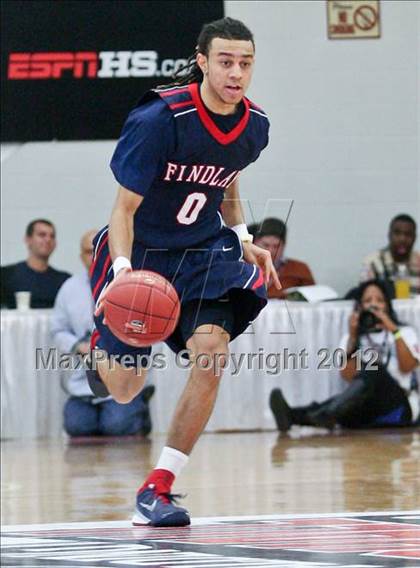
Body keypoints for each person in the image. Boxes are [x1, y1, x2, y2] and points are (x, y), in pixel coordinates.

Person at [88, 17, 281, 527]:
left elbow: (227, 183)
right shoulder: (159, 119)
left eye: (245, 62)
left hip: (201, 253)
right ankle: (98, 348)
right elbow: (122, 210)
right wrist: (124, 273)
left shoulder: (254, 125)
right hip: (143, 251)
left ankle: (159, 487)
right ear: (202, 61)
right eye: (225, 61)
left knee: (212, 354)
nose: (236, 72)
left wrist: (243, 239)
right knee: (125, 389)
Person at [270, 280, 420, 431]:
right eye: (367, 301)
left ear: (387, 305)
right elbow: (348, 375)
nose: (374, 305)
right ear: (359, 307)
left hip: (399, 408)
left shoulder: (403, 332)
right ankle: (291, 416)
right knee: (347, 399)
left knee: (374, 371)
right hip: (368, 409)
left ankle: (326, 415)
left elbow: (407, 366)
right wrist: (354, 338)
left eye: (379, 300)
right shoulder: (352, 339)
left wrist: (394, 330)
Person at [51, 230, 154, 437]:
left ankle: (139, 405)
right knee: (77, 427)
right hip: (84, 379)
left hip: (121, 367)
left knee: (117, 426)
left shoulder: (133, 282)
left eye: (100, 250)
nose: (95, 256)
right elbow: (58, 330)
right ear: (81, 257)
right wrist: (78, 346)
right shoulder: (69, 288)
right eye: (89, 252)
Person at [1, 219, 70, 308]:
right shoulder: (5, 276)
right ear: (28, 239)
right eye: (42, 235)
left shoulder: (64, 281)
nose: (48, 239)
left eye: (52, 236)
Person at [253, 217, 315, 298]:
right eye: (266, 245)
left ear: (284, 245)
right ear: (255, 243)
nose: (270, 251)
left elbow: (312, 299)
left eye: (276, 246)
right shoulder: (243, 267)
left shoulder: (300, 269)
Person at [360, 214, 420, 296]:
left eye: (408, 234)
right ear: (389, 235)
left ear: (415, 238)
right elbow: (365, 298)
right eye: (397, 233)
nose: (402, 239)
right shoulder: (372, 262)